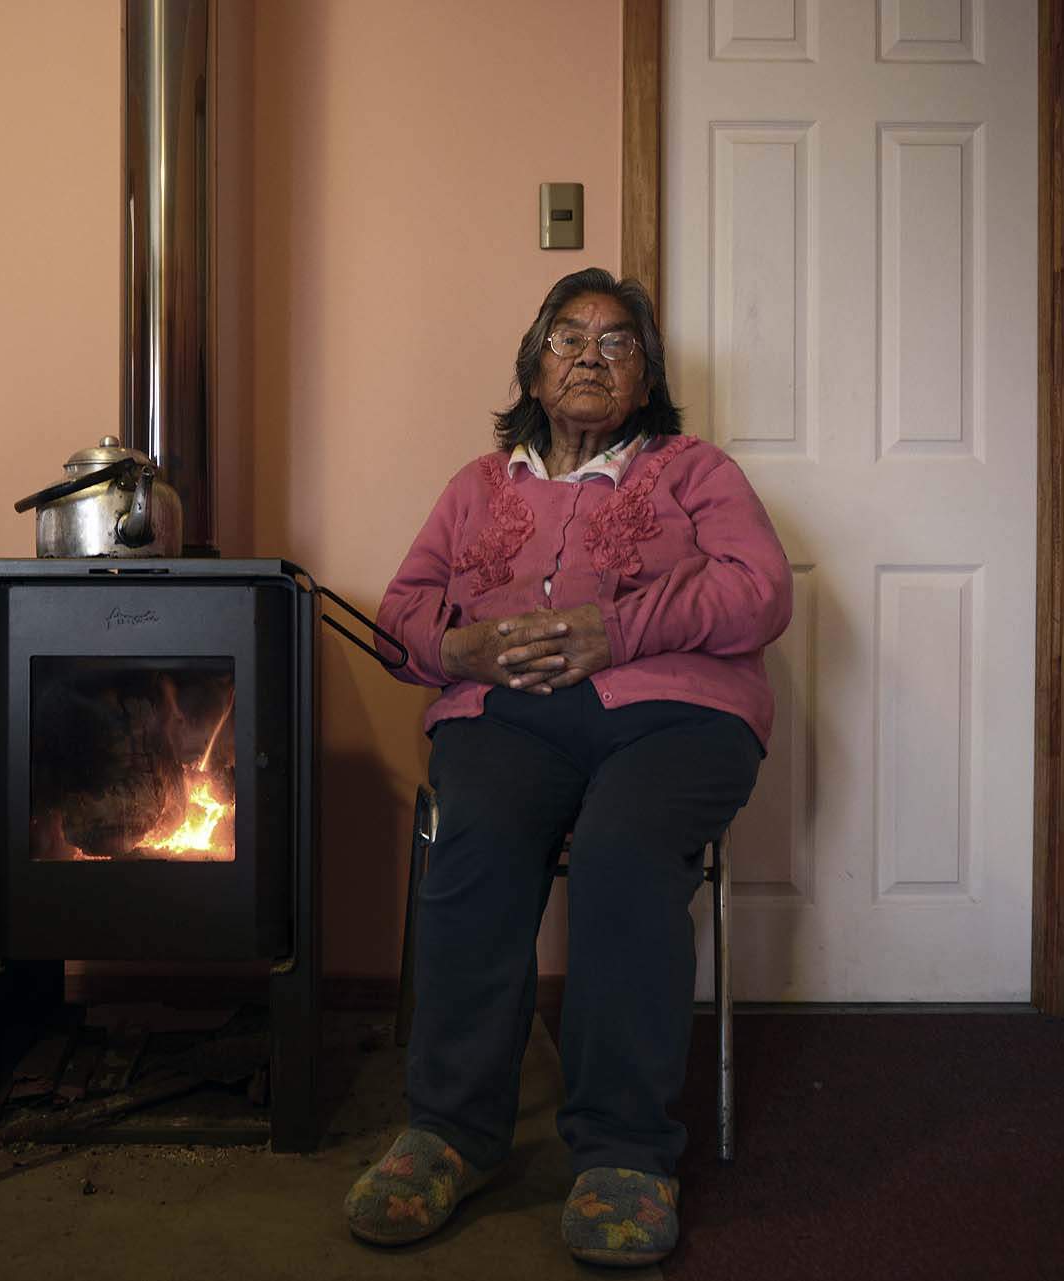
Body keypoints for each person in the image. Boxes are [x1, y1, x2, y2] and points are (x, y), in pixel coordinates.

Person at [344, 267, 792, 1267]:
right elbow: (399, 613)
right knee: (478, 840)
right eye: (566, 338)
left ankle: (625, 1151)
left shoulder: (693, 471)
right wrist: (464, 651)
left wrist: (612, 631)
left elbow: (759, 592)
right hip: (510, 716)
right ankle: (450, 1132)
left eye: (617, 341)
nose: (590, 355)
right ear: (533, 372)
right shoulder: (476, 486)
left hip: (678, 715)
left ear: (647, 378)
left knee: (625, 855)